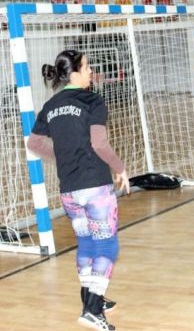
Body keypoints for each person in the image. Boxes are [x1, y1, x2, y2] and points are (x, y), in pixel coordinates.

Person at [27, 50, 129, 331]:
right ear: (74, 73)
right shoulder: (92, 100)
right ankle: (92, 310)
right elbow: (99, 144)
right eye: (86, 67)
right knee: (106, 244)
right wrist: (120, 168)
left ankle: (91, 297)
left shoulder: (50, 105)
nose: (91, 71)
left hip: (69, 190)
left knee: (86, 242)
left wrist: (62, 157)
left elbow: (34, 144)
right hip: (95, 186)